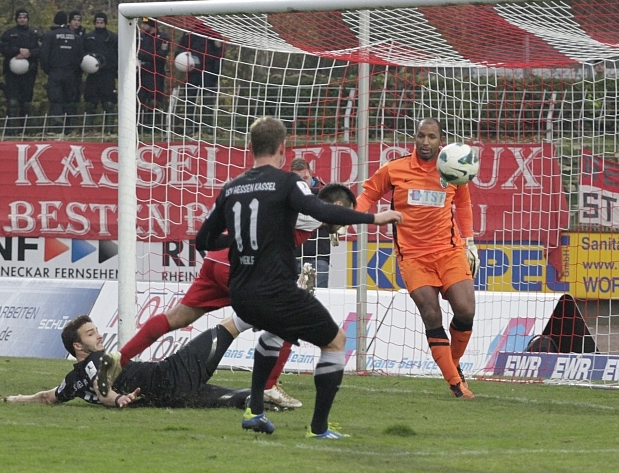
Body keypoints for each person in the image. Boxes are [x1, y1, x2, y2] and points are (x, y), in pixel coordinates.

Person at [195, 116, 402, 438]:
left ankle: (255, 411)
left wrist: (237, 240)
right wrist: (374, 218)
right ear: (282, 147)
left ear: (250, 147)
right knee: (335, 342)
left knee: (275, 334)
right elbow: (322, 211)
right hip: (275, 289)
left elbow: (203, 240)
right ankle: (319, 428)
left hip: (241, 291)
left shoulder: (232, 187)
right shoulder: (288, 182)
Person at [111, 182, 360, 410]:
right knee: (288, 317)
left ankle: (117, 362)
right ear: (337, 206)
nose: (344, 225)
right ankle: (268, 386)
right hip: (241, 265)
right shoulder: (311, 209)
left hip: (217, 259)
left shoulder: (300, 209)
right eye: (345, 218)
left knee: (177, 317)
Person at [355, 117, 479, 399]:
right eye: (421, 136)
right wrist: (346, 218)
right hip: (412, 256)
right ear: (414, 137)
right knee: (431, 314)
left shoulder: (453, 166)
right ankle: (456, 384)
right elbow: (368, 195)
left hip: (449, 251)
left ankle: (453, 365)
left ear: (440, 140)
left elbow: (463, 203)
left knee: (466, 311)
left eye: (431, 137)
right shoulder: (395, 169)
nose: (425, 142)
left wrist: (470, 242)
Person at [4, 315, 250, 409]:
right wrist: (117, 399)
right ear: (77, 346)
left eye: (96, 330)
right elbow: (103, 390)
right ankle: (263, 310)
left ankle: (264, 397)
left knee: (243, 398)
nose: (99, 336)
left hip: (169, 399)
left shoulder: (73, 381)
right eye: (91, 334)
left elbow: (48, 397)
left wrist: (17, 399)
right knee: (230, 325)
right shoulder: (97, 360)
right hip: (172, 375)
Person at [290, 157, 333, 288]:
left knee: (320, 296)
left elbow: (334, 220)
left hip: (319, 257)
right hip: (292, 256)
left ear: (311, 173)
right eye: (297, 179)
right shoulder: (287, 194)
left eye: (305, 178)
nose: (302, 183)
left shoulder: (326, 193)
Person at [39, 11, 84, 120]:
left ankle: (57, 126)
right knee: (69, 101)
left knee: (56, 101)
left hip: (55, 72)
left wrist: (49, 71)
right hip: (71, 74)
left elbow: (43, 56)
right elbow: (80, 57)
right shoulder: (76, 37)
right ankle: (69, 126)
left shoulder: (49, 36)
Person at [0, 9, 41, 116]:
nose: (22, 20)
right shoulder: (9, 33)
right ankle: (10, 125)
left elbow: (42, 50)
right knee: (12, 102)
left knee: (26, 103)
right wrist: (17, 51)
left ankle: (25, 125)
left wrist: (30, 53)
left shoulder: (35, 34)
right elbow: (3, 48)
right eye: (20, 18)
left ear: (28, 19)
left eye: (24, 18)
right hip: (11, 73)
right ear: (16, 19)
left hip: (29, 72)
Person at [83, 12, 117, 114]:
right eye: (97, 23)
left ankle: (109, 125)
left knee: (109, 103)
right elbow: (82, 53)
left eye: (101, 23)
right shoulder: (88, 38)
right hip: (92, 74)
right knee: (90, 103)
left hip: (108, 74)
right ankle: (88, 124)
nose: (99, 25)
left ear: (105, 23)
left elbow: (118, 54)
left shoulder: (113, 38)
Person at [137, 18, 169, 125]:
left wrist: (143, 55)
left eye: (145, 24)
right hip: (141, 73)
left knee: (154, 101)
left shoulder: (163, 38)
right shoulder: (140, 37)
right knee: (139, 99)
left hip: (156, 73)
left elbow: (160, 56)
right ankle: (140, 125)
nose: (142, 26)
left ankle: (153, 125)